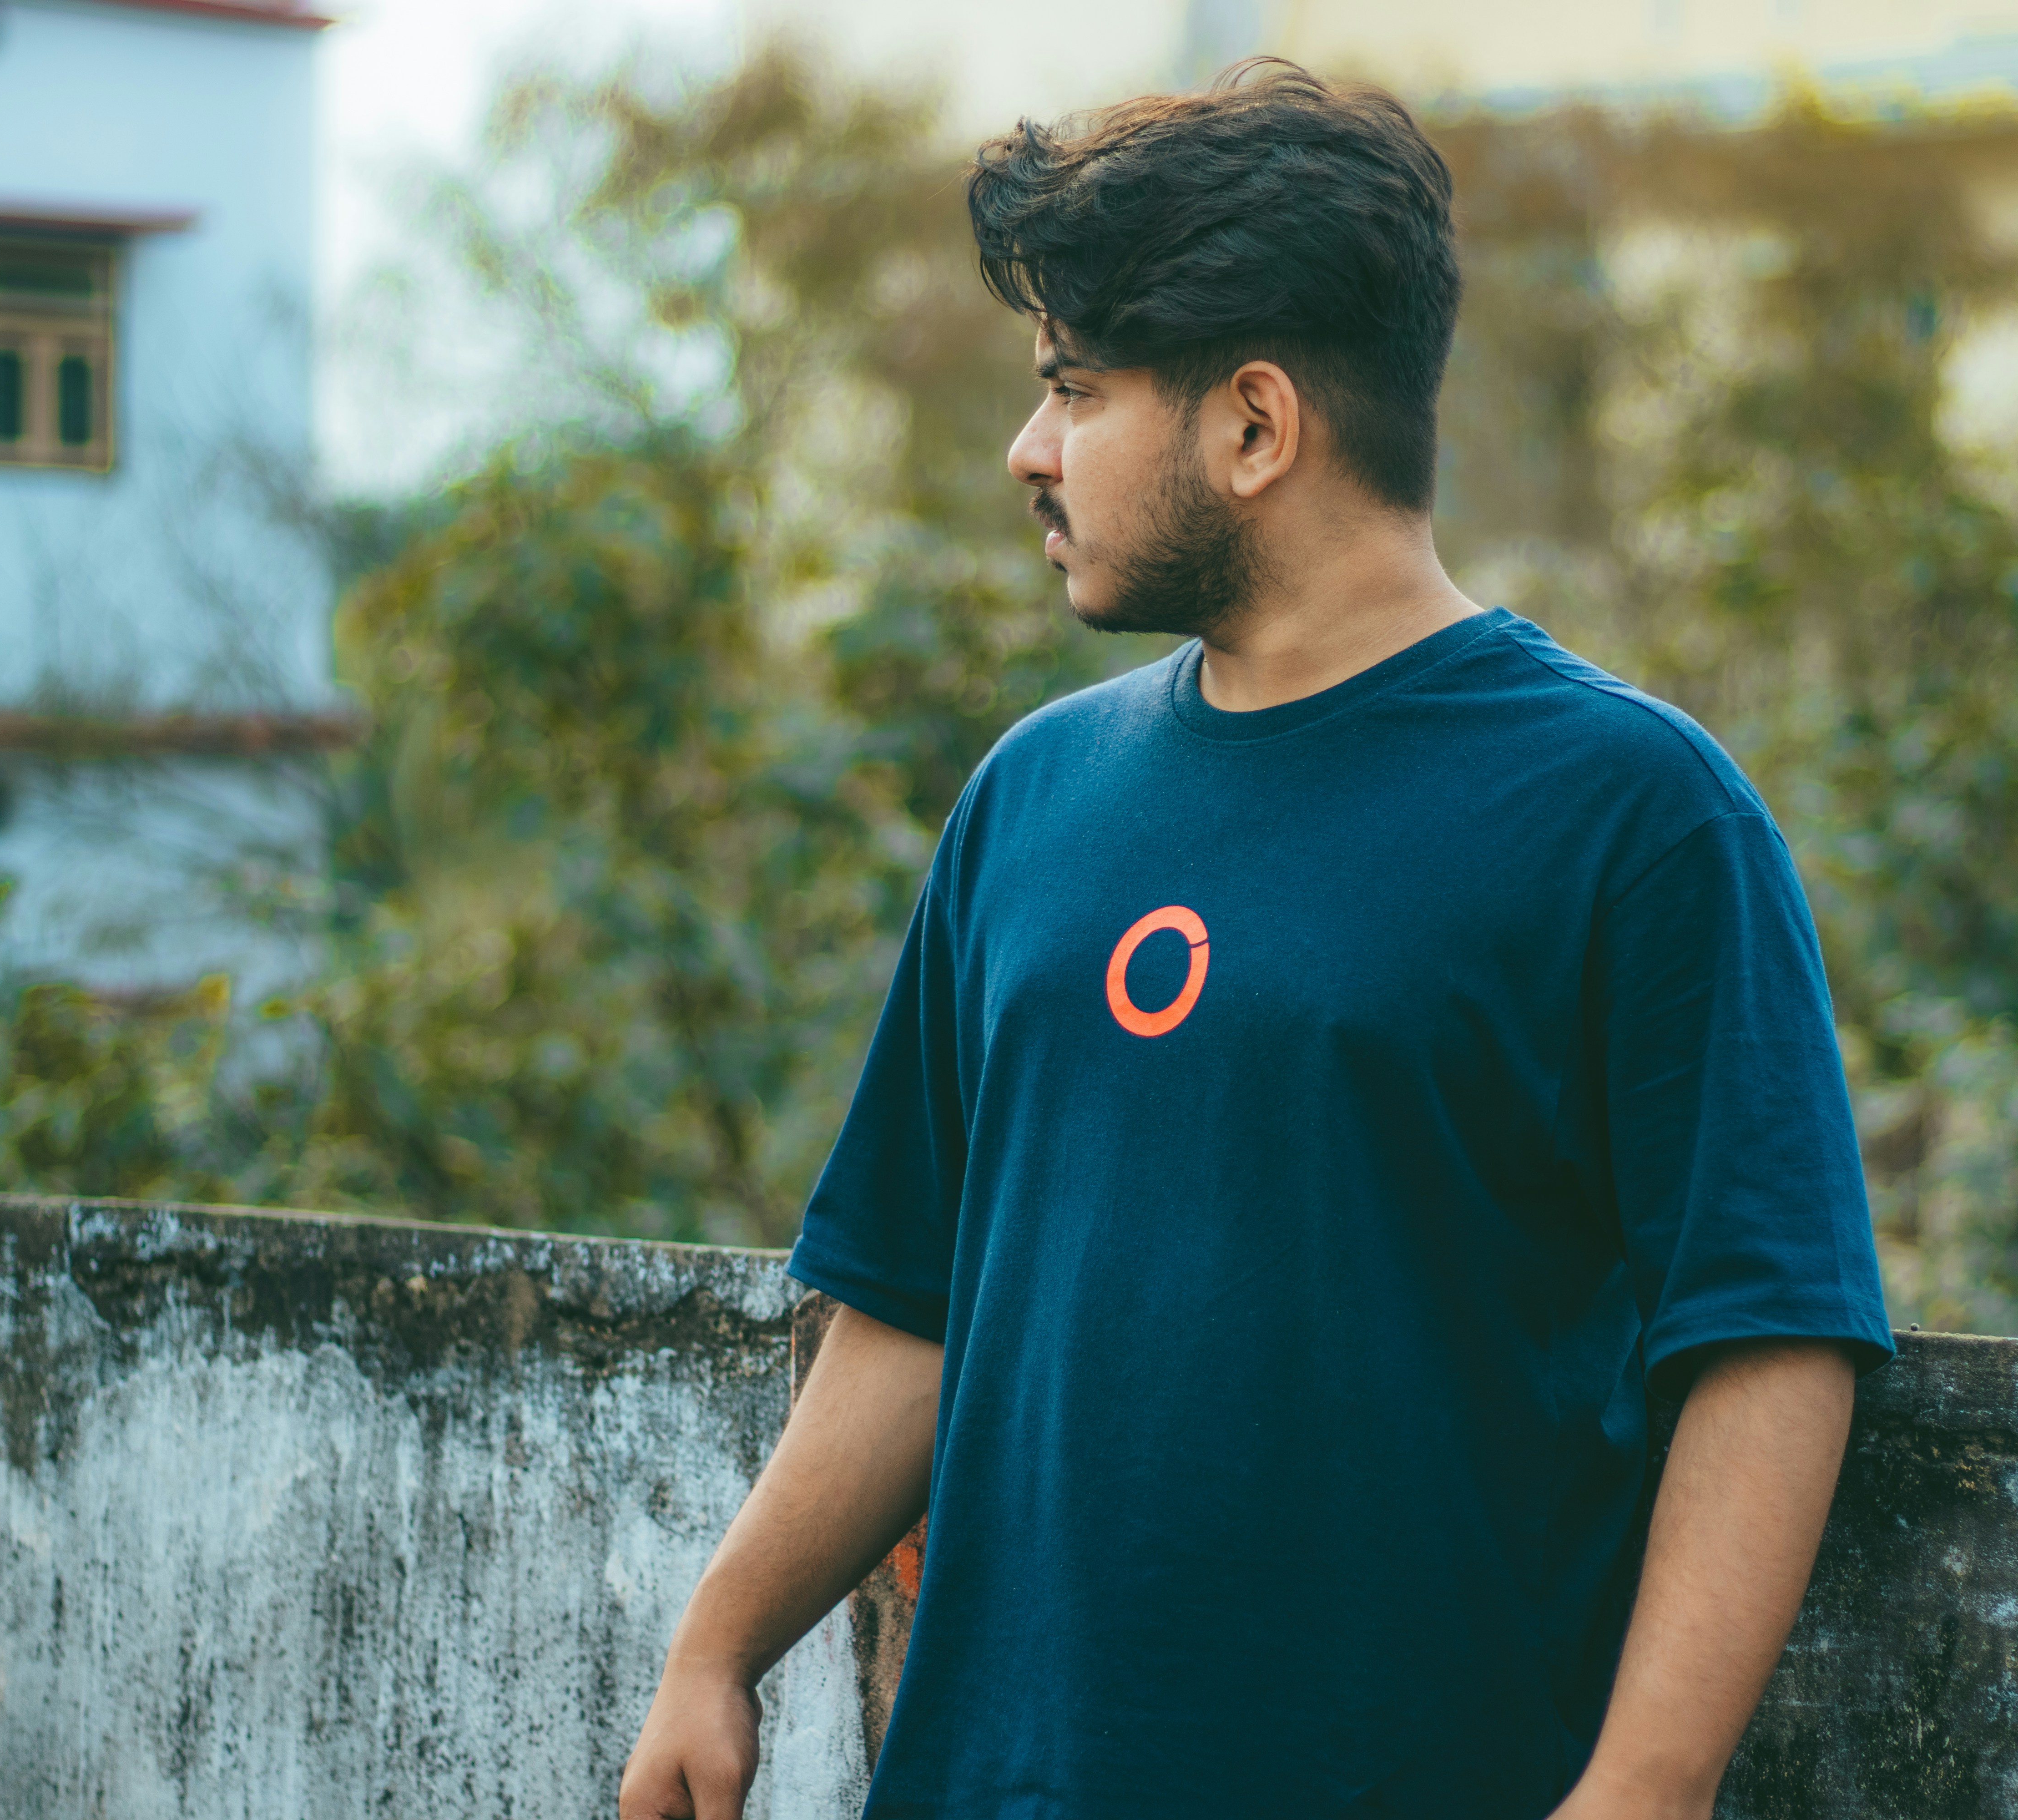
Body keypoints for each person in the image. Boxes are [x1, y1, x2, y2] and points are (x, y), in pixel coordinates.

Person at [620, 58, 1892, 1820]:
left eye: (1075, 389)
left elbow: (1767, 1337)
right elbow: (914, 1300)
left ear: (1255, 426)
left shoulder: (1633, 812)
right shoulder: (1034, 796)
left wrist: (1644, 1788)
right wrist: (719, 1640)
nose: (1030, 449)